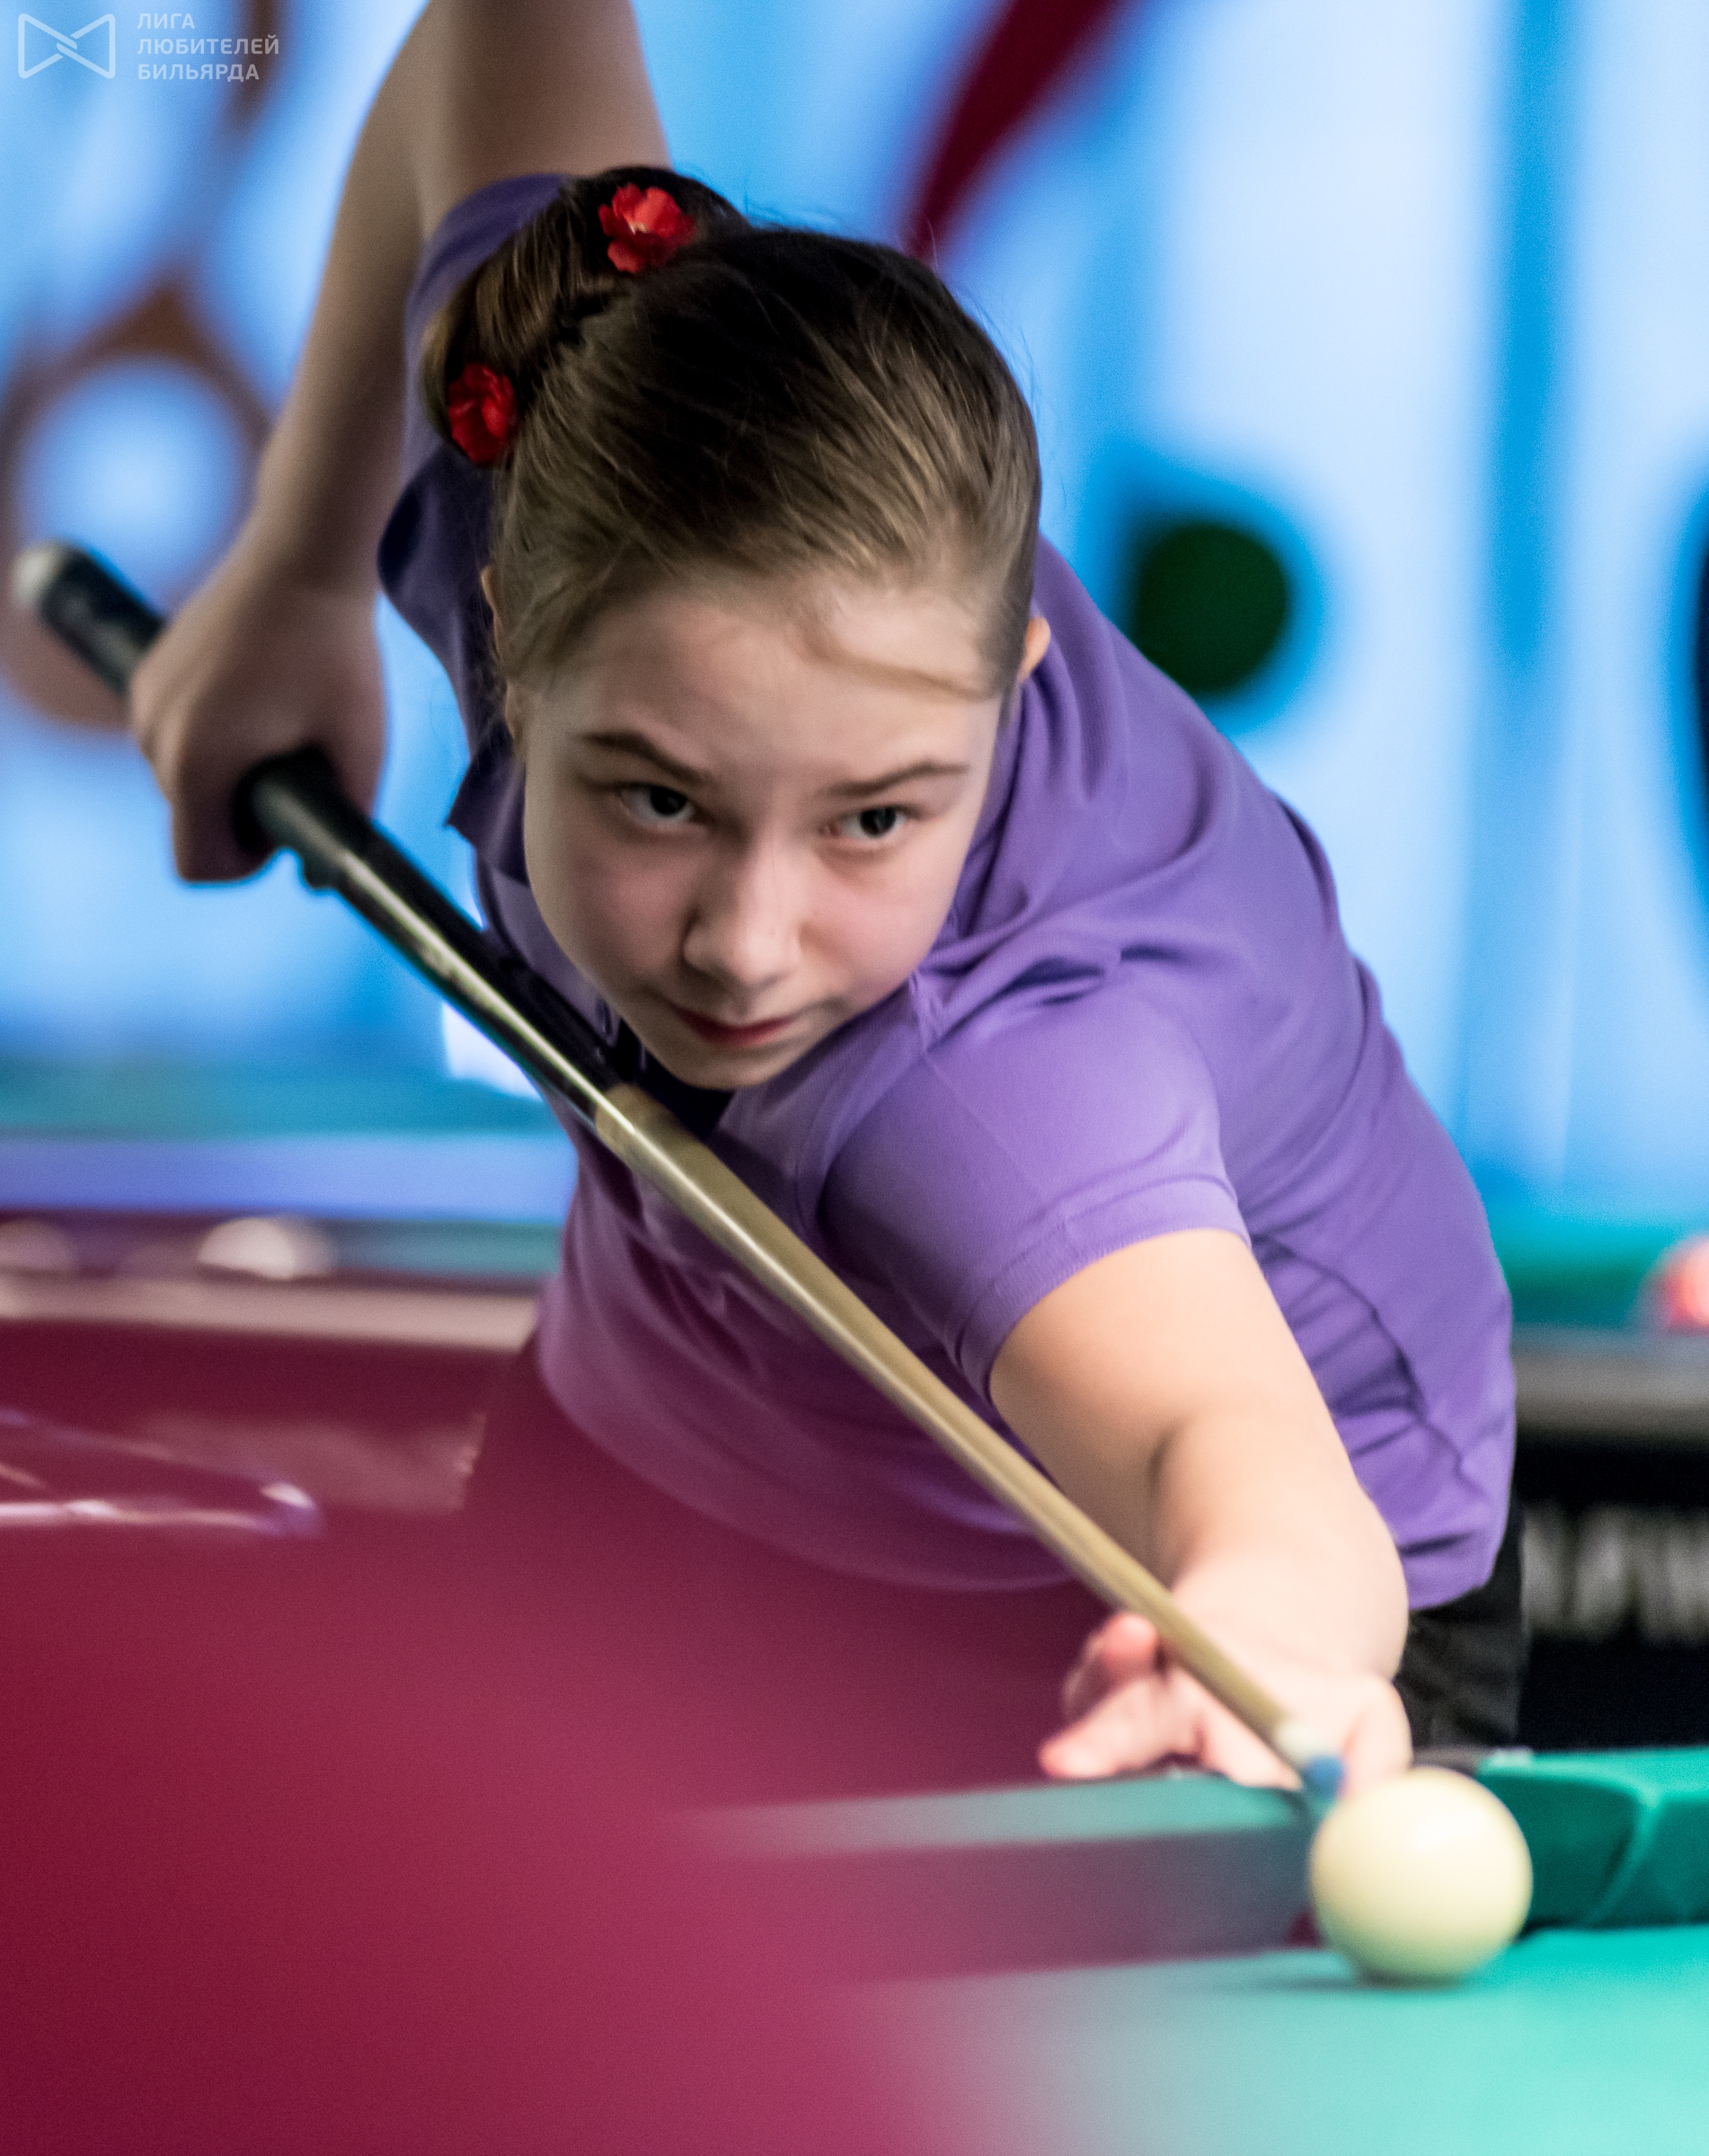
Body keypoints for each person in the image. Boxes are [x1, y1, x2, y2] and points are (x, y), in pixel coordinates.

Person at [129, 0, 1519, 1797]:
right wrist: (297, 570)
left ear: (1007, 685)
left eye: (871, 817)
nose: (745, 942)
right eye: (657, 798)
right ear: (505, 639)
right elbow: (504, 28)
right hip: (663, 1411)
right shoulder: (560, 412)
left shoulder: (999, 1094)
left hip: (1104, 1592)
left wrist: (1259, 1642)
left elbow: (1235, 1455)